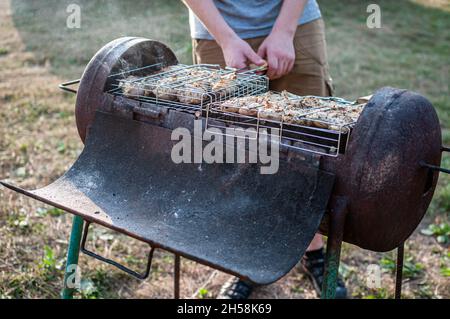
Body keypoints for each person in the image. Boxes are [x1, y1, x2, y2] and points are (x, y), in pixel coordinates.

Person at [183, 0, 347, 299]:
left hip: (296, 23)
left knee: (310, 149)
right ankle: (245, 260)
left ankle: (314, 251)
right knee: (233, 152)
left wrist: (284, 32)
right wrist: (227, 39)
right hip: (216, 30)